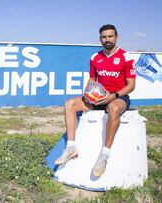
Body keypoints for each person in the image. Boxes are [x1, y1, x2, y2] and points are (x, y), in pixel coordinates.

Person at [54, 24, 136, 177]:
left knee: (114, 109)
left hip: (118, 97)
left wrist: (114, 95)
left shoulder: (126, 57)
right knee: (69, 104)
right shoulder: (95, 57)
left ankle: (104, 155)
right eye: (104, 37)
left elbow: (131, 85)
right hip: (98, 98)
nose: (107, 40)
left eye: (110, 36)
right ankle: (71, 148)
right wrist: (87, 93)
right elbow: (92, 80)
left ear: (116, 37)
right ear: (100, 39)